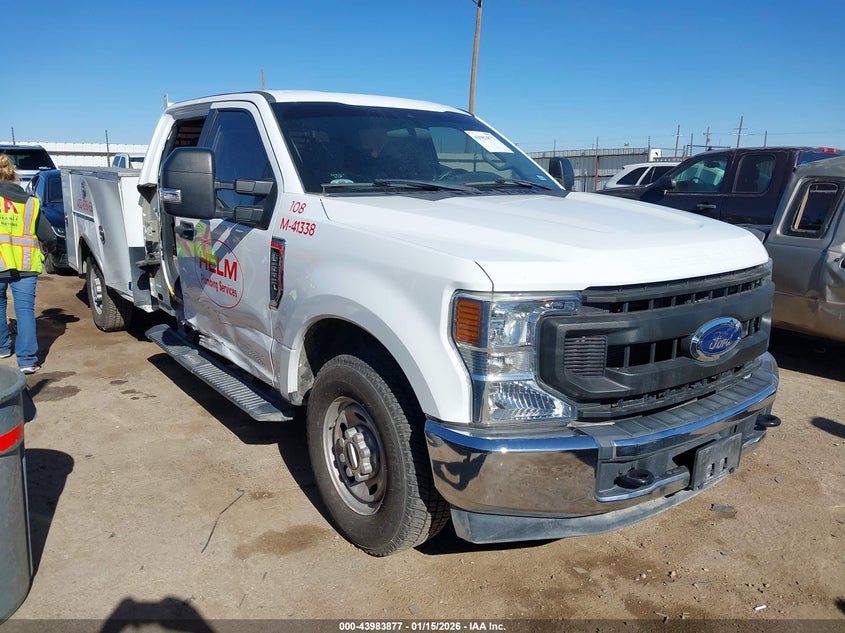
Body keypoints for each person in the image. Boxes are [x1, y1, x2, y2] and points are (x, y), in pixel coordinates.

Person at [0, 154, 56, 374]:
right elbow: (48, 236)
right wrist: (48, 249)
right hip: (25, 265)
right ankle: (26, 361)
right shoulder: (31, 203)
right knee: (24, 311)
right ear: (14, 174)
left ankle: (3, 348)